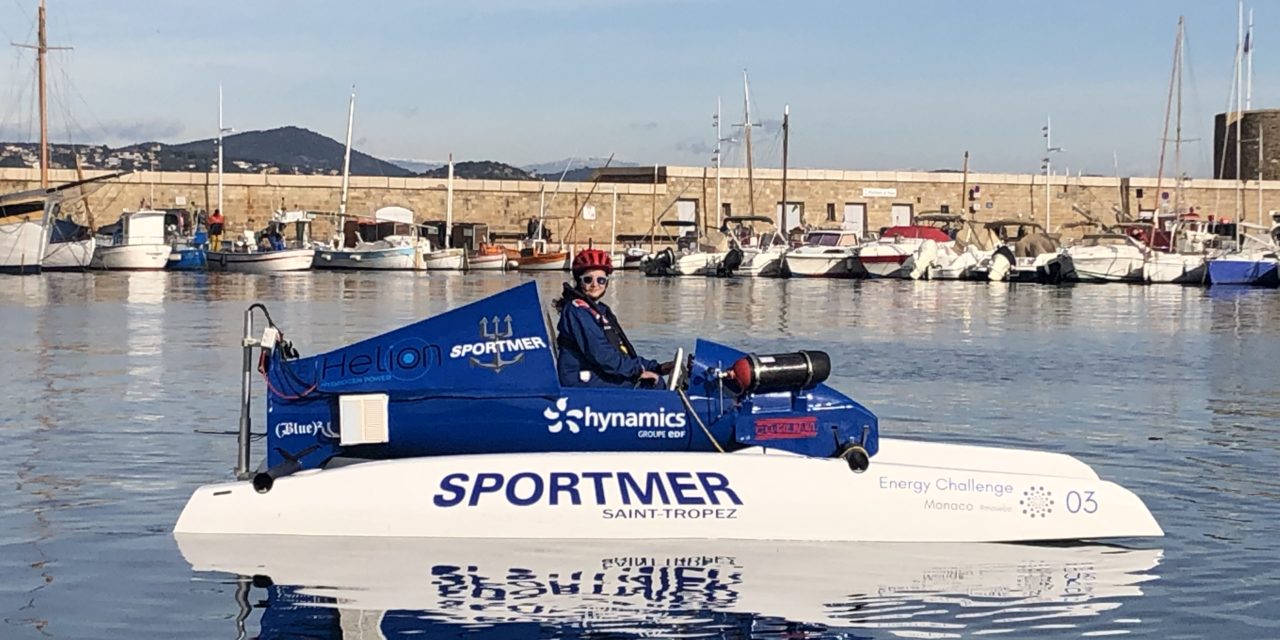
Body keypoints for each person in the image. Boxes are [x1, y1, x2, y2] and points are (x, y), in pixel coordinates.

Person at [554, 249, 668, 388]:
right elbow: (600, 353)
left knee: (656, 378)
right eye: (588, 279)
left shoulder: (600, 310)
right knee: (652, 384)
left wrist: (657, 367)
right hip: (580, 380)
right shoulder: (576, 310)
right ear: (579, 281)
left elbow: (619, 350)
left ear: (607, 283)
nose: (595, 284)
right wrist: (637, 371)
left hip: (595, 373)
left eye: (601, 280)